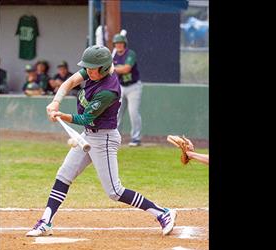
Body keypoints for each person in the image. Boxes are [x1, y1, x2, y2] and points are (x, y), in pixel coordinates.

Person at [26, 45, 177, 237]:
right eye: (87, 67)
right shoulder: (93, 70)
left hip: (104, 138)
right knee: (63, 175)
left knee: (114, 191)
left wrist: (60, 115)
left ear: (104, 68)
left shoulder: (109, 90)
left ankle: (162, 213)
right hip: (88, 135)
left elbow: (85, 119)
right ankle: (46, 221)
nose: (88, 71)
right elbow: (70, 82)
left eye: (92, 68)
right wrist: (56, 101)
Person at [112, 33, 143, 147]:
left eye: (120, 43)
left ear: (124, 44)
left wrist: (112, 68)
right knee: (116, 112)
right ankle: (115, 137)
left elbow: (126, 69)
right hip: (120, 86)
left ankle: (136, 138)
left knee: (133, 113)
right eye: (116, 43)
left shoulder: (130, 53)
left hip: (133, 87)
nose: (119, 45)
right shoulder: (114, 55)